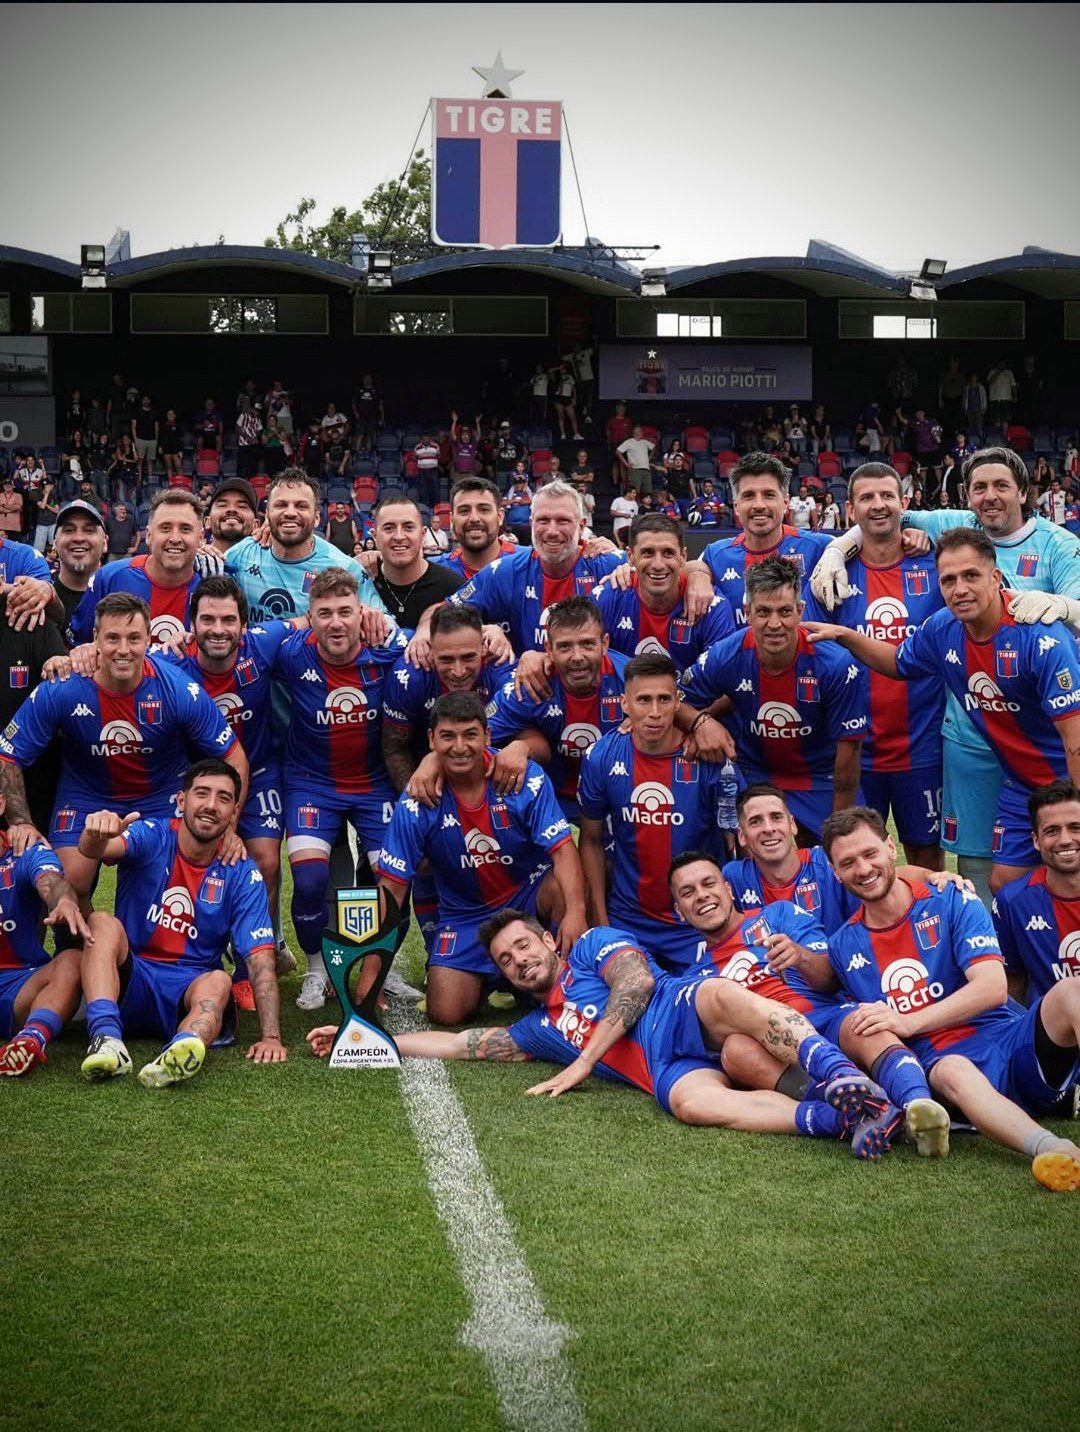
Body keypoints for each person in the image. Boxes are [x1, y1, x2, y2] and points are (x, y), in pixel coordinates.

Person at [309, 909, 901, 1153]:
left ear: (548, 941)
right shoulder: (540, 1028)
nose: (520, 960)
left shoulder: (592, 945)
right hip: (667, 1068)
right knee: (691, 1104)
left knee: (722, 994)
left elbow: (636, 984)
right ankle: (843, 1118)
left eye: (524, 945)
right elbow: (458, 1044)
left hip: (677, 1009)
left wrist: (585, 1061)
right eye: (507, 961)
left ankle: (838, 1075)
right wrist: (359, 1036)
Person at [811, 446, 1080, 905]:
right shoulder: (943, 622)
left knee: (1066, 862)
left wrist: (1065, 607)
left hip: (1057, 762)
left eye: (971, 576)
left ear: (996, 579)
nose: (959, 588)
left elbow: (1075, 742)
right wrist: (838, 564)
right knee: (998, 880)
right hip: (994, 756)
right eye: (948, 580)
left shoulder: (1044, 618)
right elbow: (898, 660)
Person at [818, 807, 1080, 1191]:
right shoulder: (843, 945)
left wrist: (908, 1021)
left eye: (870, 853)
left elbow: (992, 988)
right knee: (952, 1069)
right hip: (947, 1072)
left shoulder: (950, 896)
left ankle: (1059, 1096)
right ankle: (1053, 1149)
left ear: (890, 847)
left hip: (1013, 1046)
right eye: (848, 862)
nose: (863, 868)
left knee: (1072, 991)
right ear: (835, 871)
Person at [668, 850, 951, 1154]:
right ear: (679, 911)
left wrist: (800, 956)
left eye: (709, 883)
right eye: (688, 892)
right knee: (735, 1051)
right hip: (778, 1049)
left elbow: (832, 978)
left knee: (867, 1022)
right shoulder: (696, 978)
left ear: (727, 888)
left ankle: (919, 1107)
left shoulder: (778, 915)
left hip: (826, 1017)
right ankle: (859, 1109)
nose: (702, 895)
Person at [3, 592, 245, 901]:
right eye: (113, 638)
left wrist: (229, 829)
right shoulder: (63, 687)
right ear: (95, 638)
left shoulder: (178, 689)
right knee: (67, 886)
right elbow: (8, 755)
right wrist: (21, 822)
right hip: (86, 794)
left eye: (133, 638)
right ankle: (86, 932)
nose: (123, 649)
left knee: (168, 888)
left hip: (160, 796)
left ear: (148, 639)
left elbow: (234, 757)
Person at [377, 692, 585, 1024]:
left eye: (470, 735)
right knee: (446, 1012)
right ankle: (496, 979)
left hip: (528, 895)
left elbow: (563, 850)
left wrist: (576, 913)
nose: (460, 747)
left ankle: (568, 976)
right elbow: (392, 888)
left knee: (560, 888)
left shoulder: (522, 777)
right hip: (466, 913)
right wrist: (371, 977)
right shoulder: (417, 800)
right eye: (448, 736)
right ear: (431, 739)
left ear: (487, 735)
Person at [77, 760, 285, 1088]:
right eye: (202, 793)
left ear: (234, 813)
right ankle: (107, 1039)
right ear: (182, 800)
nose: (211, 805)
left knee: (219, 980)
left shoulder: (243, 874)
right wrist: (94, 833)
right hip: (130, 978)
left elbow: (261, 961)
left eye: (223, 798)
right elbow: (95, 849)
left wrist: (271, 1037)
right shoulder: (153, 834)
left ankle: (182, 1048)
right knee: (101, 922)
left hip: (189, 988)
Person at [271, 568, 408, 1011]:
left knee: (395, 879)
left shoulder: (388, 645)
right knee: (310, 880)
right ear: (310, 616)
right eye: (325, 613)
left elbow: (434, 636)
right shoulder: (291, 651)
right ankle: (317, 968)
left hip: (375, 786)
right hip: (311, 784)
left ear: (360, 611)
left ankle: (380, 969)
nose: (335, 622)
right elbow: (239, 645)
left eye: (345, 612)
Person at [159, 576, 299, 994]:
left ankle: (249, 967)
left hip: (258, 772)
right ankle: (183, 957)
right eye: (207, 620)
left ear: (243, 624)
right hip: (193, 777)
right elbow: (117, 657)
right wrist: (78, 654)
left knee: (265, 862)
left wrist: (369, 616)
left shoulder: (264, 642)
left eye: (227, 620)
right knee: (176, 862)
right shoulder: (170, 662)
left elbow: (311, 619)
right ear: (191, 624)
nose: (218, 629)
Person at [802, 463, 946, 867]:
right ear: (851, 510)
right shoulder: (830, 574)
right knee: (853, 859)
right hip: (854, 752)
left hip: (923, 747)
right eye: (866, 498)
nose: (878, 505)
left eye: (887, 495)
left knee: (926, 860)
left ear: (905, 503)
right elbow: (813, 655)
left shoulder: (936, 567)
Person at [680, 556, 868, 842]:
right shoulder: (725, 654)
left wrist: (839, 833)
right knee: (756, 856)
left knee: (841, 855)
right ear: (748, 612)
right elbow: (676, 701)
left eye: (784, 611)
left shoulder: (836, 664)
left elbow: (849, 752)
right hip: (755, 773)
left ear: (800, 611)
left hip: (821, 777)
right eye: (763, 611)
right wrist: (700, 722)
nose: (774, 623)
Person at [578, 654, 740, 969]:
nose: (654, 712)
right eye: (643, 700)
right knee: (625, 990)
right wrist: (601, 920)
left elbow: (737, 843)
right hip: (628, 918)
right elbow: (591, 840)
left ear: (678, 702)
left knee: (713, 993)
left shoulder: (710, 758)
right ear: (625, 704)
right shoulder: (601, 757)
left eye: (664, 699)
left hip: (697, 920)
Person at [417, 482, 625, 656]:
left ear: (581, 526)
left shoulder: (610, 564)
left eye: (563, 521)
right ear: (531, 523)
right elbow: (444, 612)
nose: (552, 531)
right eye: (543, 520)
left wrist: (630, 570)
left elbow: (644, 563)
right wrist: (483, 630)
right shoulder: (503, 570)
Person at [477, 597, 629, 822]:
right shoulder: (529, 685)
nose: (577, 657)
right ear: (548, 649)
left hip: (620, 805)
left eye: (587, 644)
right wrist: (432, 761)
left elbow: (676, 711)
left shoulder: (631, 679)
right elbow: (474, 735)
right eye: (564, 646)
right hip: (554, 805)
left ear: (605, 643)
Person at [223, 469, 385, 626]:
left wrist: (369, 617)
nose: (290, 513)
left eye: (301, 506)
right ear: (267, 514)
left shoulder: (345, 568)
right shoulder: (242, 554)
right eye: (281, 505)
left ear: (316, 518)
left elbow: (386, 623)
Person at [0, 805, 90, 1077]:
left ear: (1, 804)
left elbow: (52, 882)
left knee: (72, 961)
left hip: (19, 986)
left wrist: (64, 901)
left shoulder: (25, 850)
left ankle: (30, 1040)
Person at [700, 454, 832, 625]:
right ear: (736, 506)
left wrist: (838, 551)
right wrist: (696, 575)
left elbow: (861, 539)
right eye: (749, 496)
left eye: (769, 495)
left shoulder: (819, 547)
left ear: (785, 503)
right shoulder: (715, 555)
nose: (759, 505)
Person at [69, 489, 209, 646]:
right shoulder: (109, 578)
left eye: (185, 529)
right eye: (165, 528)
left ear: (201, 538)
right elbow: (78, 647)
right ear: (148, 536)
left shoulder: (212, 583)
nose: (175, 538)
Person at [595, 514, 734, 671]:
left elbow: (721, 678)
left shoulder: (711, 605)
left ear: (683, 556)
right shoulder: (606, 599)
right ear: (630, 556)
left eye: (668, 553)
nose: (658, 565)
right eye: (647, 552)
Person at [993, 780, 1080, 1010]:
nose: (1065, 839)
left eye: (1075, 827)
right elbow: (1011, 980)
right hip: (1051, 1026)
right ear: (1036, 841)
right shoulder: (1012, 902)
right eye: (1052, 831)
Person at [369, 496, 463, 630]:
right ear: (375, 536)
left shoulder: (453, 588)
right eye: (389, 528)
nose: (399, 536)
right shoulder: (361, 584)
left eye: (408, 527)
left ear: (423, 534)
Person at [436, 477, 517, 580]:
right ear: (452, 520)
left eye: (484, 510)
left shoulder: (530, 563)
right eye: (464, 511)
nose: (474, 518)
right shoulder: (434, 570)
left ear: (500, 517)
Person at [51, 499, 108, 629]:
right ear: (54, 544)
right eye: (69, 530)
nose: (78, 538)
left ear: (105, 543)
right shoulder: (39, 599)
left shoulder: (122, 597)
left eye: (89, 530)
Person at [206, 477, 258, 556]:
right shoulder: (193, 560)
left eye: (242, 506)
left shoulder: (269, 561)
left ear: (256, 525)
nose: (232, 509)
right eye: (222, 505)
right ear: (207, 521)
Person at [617, 425, 656, 497]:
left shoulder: (645, 442)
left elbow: (654, 448)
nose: (640, 433)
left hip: (646, 469)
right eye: (637, 431)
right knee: (634, 491)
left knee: (647, 491)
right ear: (634, 433)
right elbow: (618, 451)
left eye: (640, 431)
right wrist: (626, 463)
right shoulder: (629, 442)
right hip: (635, 469)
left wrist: (649, 458)